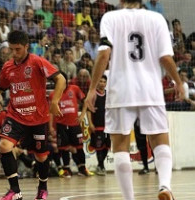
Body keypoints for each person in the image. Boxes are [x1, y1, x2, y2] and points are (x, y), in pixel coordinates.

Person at [84, 1, 184, 200]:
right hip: (151, 89)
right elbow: (165, 57)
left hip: (120, 89)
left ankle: (129, 198)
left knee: (120, 145)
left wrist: (92, 88)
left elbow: (104, 54)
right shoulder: (156, 19)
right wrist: (179, 83)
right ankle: (165, 186)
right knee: (159, 138)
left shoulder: (110, 18)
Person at [0, 30, 66, 200]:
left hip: (38, 117)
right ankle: (15, 191)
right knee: (4, 146)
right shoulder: (8, 67)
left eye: (18, 49)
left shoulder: (37, 62)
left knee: (41, 156)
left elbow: (61, 80)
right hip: (15, 115)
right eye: (12, 49)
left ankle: (42, 188)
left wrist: (54, 102)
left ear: (26, 47)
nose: (14, 53)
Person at [48, 71, 92, 178]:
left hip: (74, 125)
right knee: (64, 148)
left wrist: (82, 115)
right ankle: (66, 169)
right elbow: (51, 112)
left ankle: (82, 169)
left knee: (79, 147)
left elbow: (85, 101)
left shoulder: (74, 89)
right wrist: (50, 126)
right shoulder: (53, 94)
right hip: (61, 125)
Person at [87, 75, 110, 176]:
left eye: (104, 82)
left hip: (108, 125)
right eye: (100, 81)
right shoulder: (93, 95)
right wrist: (90, 123)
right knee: (99, 147)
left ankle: (100, 165)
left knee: (107, 147)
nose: (102, 83)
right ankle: (101, 166)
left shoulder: (108, 95)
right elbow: (88, 110)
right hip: (97, 124)